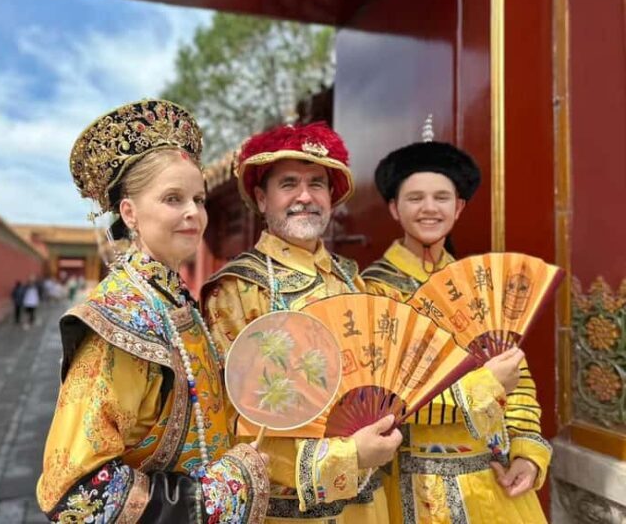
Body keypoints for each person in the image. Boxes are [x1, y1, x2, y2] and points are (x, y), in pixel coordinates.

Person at [36, 99, 269, 523]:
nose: (193, 213)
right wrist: (227, 488)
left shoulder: (176, 300)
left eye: (199, 199)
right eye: (172, 198)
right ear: (130, 213)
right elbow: (75, 493)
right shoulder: (121, 320)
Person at [202, 122, 402, 524]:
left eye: (317, 184)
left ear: (331, 197)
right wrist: (346, 455)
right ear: (262, 198)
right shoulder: (237, 290)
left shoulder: (353, 279)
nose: (305, 196)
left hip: (369, 501)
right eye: (289, 184)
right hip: (288, 509)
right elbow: (232, 420)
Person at [362, 137, 551, 523]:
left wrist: (526, 453)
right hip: (414, 478)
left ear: (459, 207)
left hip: (493, 475)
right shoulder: (374, 291)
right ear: (395, 208)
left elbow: (517, 379)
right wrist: (485, 385)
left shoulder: (481, 286)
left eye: (442, 198)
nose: (429, 208)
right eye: (415, 198)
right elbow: (383, 398)